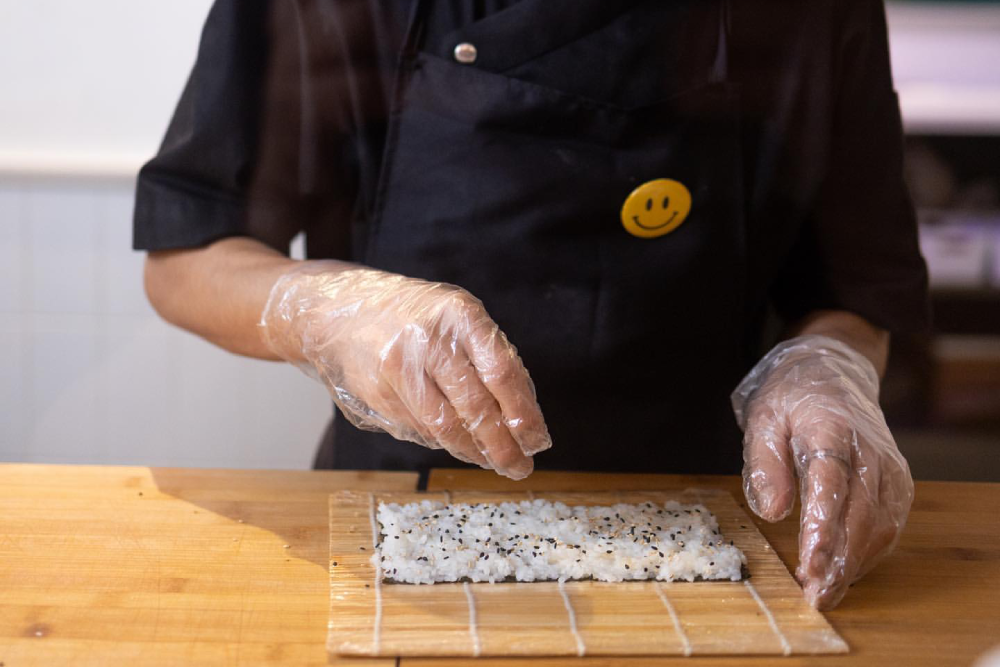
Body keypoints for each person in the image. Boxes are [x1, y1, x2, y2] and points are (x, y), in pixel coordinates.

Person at [134, 0, 929, 609]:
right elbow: (187, 257)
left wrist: (829, 366)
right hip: (403, 511)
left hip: (723, 519)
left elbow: (856, 289)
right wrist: (336, 310)